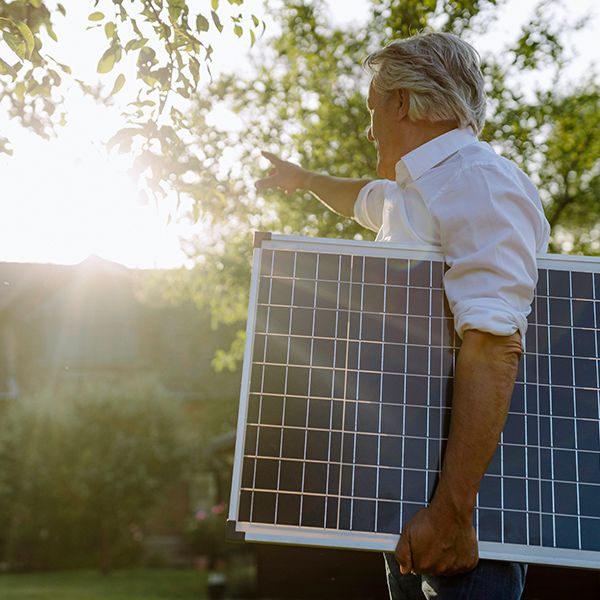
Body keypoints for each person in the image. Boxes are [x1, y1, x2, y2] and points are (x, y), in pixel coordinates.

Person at [255, 31, 550, 600]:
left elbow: (493, 344)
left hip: (467, 514)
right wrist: (305, 180)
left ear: (401, 103)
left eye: (372, 110)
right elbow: (362, 197)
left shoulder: (481, 184)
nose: (369, 130)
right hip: (411, 501)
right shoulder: (417, 191)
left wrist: (453, 512)